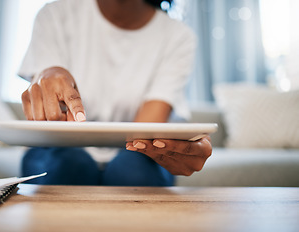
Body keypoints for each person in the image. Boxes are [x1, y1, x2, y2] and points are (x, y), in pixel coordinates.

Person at [19, 0, 213, 186]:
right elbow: (49, 97)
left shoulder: (177, 35)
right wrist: (48, 74)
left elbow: (141, 137)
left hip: (134, 157)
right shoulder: (55, 14)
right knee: (68, 163)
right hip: (60, 151)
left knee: (133, 170)